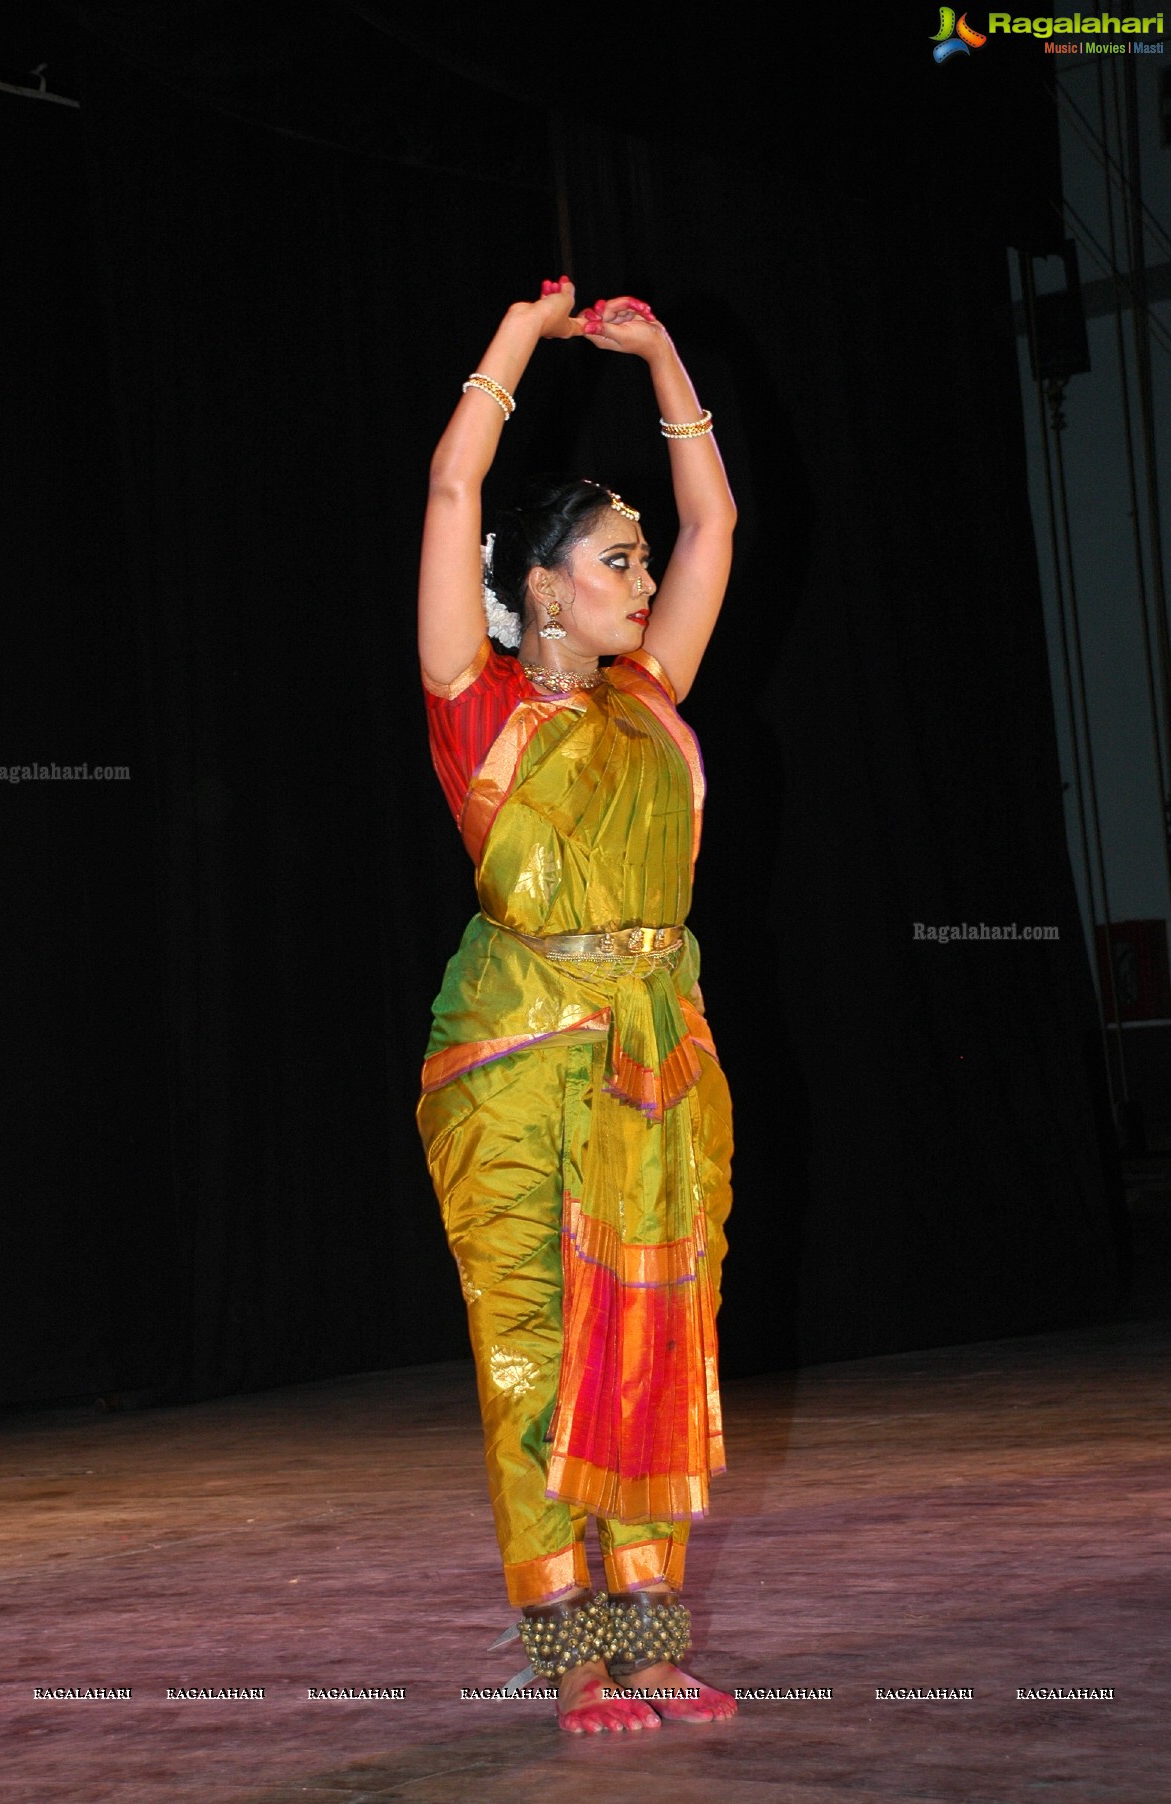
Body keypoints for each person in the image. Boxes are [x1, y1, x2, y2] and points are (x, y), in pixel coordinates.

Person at [416, 278, 738, 1734]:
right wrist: (516, 339)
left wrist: (665, 357)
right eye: (617, 557)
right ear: (542, 584)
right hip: (516, 1061)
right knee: (537, 1350)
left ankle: (652, 1640)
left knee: (662, 1347)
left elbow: (721, 526)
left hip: (662, 1061)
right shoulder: (480, 705)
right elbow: (452, 482)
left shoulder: (651, 699)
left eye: (640, 558)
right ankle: (570, 1660)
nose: (642, 573)